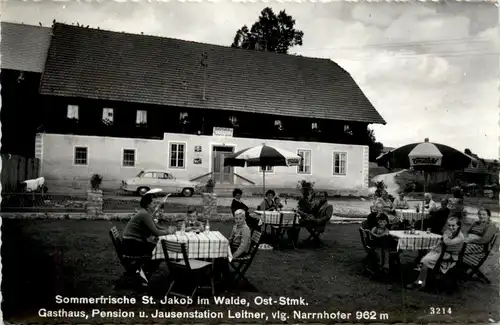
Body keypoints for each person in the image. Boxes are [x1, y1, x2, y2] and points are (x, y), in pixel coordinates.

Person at [122, 193, 175, 280]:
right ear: (148, 204)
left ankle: (150, 272)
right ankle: (151, 274)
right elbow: (156, 232)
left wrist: (168, 229)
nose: (155, 205)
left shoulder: (145, 212)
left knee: (157, 247)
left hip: (132, 243)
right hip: (131, 246)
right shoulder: (144, 214)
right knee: (158, 249)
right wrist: (168, 232)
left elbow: (156, 226)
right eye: (154, 203)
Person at [406, 217, 464, 290]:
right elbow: (442, 242)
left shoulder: (460, 236)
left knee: (426, 261)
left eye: (453, 225)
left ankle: (420, 283)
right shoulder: (452, 232)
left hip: (449, 257)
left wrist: (445, 235)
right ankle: (421, 282)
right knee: (426, 258)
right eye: (449, 225)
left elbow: (448, 242)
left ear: (458, 225)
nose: (451, 227)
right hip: (442, 253)